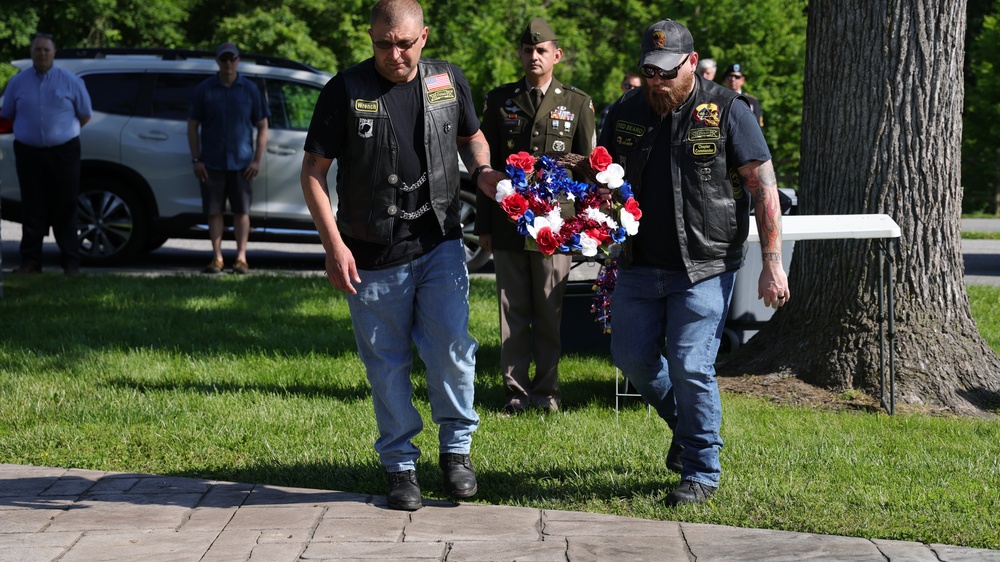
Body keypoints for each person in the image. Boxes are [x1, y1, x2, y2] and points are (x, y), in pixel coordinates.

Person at [300, 0, 503, 512]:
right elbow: (313, 173)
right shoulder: (344, 89)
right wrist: (334, 245)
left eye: (405, 43)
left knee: (453, 349)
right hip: (370, 251)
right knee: (387, 364)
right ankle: (400, 466)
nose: (394, 53)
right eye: (383, 43)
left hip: (439, 243)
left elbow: (472, 138)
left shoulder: (448, 81)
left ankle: (456, 453)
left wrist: (483, 173)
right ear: (371, 38)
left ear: (424, 36)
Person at [599, 19, 789, 506]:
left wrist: (772, 261)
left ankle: (702, 469)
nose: (658, 82)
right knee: (632, 359)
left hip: (705, 263)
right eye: (649, 71)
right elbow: (606, 180)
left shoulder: (728, 109)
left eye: (667, 72)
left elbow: (762, 186)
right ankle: (688, 432)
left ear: (690, 61)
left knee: (689, 363)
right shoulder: (624, 110)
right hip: (639, 262)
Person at [477, 18, 596, 415]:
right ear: (520, 55)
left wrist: (586, 224)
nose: (534, 56)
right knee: (512, 312)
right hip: (509, 223)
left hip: (555, 226)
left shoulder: (577, 103)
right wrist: (484, 225)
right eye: (528, 50)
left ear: (556, 55)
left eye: (541, 50)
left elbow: (588, 169)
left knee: (550, 310)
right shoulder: (499, 101)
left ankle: (547, 392)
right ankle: (515, 392)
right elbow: (486, 170)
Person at [1, 33, 92, 275]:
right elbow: (8, 112)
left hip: (64, 152)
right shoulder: (18, 82)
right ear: (32, 53)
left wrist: (60, 134)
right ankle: (31, 262)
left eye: (46, 50)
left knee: (66, 206)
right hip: (29, 152)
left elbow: (85, 114)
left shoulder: (71, 81)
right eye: (38, 50)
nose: (42, 54)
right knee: (32, 207)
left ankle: (70, 263)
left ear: (54, 53)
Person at [187, 42, 270, 275]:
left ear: (238, 60)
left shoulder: (250, 89)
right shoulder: (205, 89)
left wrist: (256, 160)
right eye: (224, 59)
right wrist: (196, 159)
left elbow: (263, 125)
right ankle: (217, 258)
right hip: (211, 162)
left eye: (232, 58)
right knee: (214, 211)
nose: (228, 63)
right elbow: (192, 125)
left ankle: (241, 258)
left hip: (242, 163)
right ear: (218, 61)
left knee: (241, 212)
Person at [722, 63, 764, 127]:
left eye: (737, 77)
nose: (733, 79)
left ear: (742, 80)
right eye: (730, 76)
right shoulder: (719, 99)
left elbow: (757, 126)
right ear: (725, 79)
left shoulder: (752, 101)